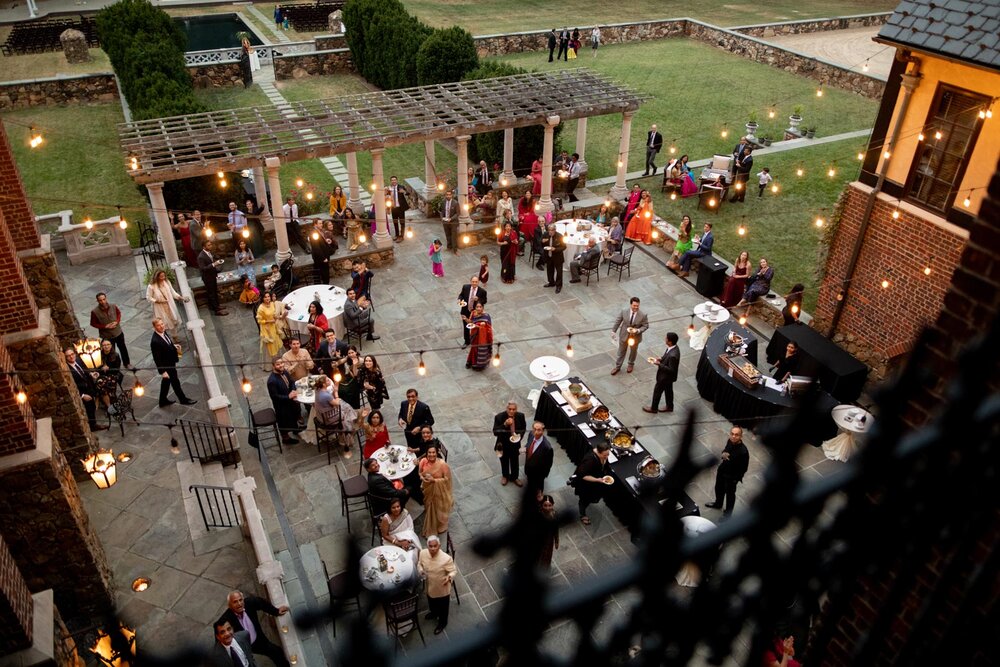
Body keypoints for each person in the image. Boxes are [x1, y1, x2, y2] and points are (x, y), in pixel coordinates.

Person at [219, 590, 290, 667]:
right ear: (230, 605)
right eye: (235, 602)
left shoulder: (249, 603)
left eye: (240, 600)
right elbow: (219, 634)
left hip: (258, 641)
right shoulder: (226, 620)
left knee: (276, 652)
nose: (239, 604)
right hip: (242, 647)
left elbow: (261, 602)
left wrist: (276, 611)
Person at [150, 317, 197, 408]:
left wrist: (173, 346)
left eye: (162, 324)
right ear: (154, 327)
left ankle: (162, 400)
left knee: (166, 382)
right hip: (166, 366)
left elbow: (167, 342)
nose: (161, 326)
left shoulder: (163, 332)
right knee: (175, 382)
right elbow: (157, 358)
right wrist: (163, 372)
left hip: (171, 362)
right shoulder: (155, 341)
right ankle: (183, 399)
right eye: (158, 325)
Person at [706, 426, 750, 516]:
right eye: (732, 434)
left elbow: (744, 469)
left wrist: (735, 480)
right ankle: (718, 504)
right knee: (718, 488)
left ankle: (728, 514)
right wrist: (724, 453)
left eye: (736, 435)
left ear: (741, 436)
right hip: (722, 471)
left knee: (730, 495)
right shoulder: (730, 441)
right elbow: (726, 449)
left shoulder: (743, 452)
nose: (733, 436)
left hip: (731, 477)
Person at [418, 535, 457, 635]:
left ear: (439, 546)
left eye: (435, 546)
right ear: (427, 546)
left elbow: (453, 571)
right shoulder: (422, 553)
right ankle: (434, 613)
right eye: (430, 546)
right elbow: (419, 564)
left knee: (443, 608)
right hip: (429, 585)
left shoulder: (446, 559)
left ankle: (443, 623)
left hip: (441, 589)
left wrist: (449, 577)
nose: (433, 548)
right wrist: (421, 570)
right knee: (431, 601)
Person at [64, 346, 108, 431]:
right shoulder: (67, 369)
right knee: (89, 408)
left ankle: (106, 408)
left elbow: (85, 369)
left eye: (72, 354)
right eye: (68, 356)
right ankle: (92, 426)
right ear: (65, 358)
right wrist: (82, 395)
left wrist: (91, 374)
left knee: (96, 400)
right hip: (82, 392)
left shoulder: (79, 360)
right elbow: (70, 385)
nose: (71, 357)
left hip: (89, 386)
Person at [90, 292, 132, 370]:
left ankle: (127, 363)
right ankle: (113, 367)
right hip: (107, 336)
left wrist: (117, 321)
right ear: (97, 301)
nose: (103, 302)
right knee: (110, 352)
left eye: (104, 299)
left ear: (106, 298)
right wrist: (105, 326)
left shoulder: (113, 306)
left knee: (123, 348)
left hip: (118, 332)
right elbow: (93, 323)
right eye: (100, 300)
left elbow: (118, 313)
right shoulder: (95, 312)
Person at [574, 442, 611, 525]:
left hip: (596, 481)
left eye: (608, 454)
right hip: (586, 485)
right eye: (605, 455)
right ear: (598, 452)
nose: (607, 457)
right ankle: (582, 514)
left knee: (590, 497)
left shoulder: (603, 456)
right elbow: (582, 475)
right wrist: (597, 480)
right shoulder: (590, 460)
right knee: (584, 500)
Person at [419, 446, 453, 537]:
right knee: (429, 506)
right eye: (429, 452)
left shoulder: (442, 465)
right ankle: (431, 519)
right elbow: (420, 473)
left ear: (437, 452)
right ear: (426, 453)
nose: (431, 454)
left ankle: (439, 524)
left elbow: (447, 479)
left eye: (433, 452)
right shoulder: (423, 461)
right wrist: (422, 478)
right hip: (427, 489)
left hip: (438, 490)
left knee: (438, 507)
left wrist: (434, 480)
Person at [611, 297, 649, 375]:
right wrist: (613, 331)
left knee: (633, 351)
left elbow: (645, 325)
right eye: (634, 305)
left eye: (637, 306)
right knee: (621, 351)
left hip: (635, 337)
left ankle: (630, 364)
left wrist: (638, 330)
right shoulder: (624, 311)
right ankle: (617, 366)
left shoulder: (643, 315)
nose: (636, 307)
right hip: (624, 335)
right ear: (630, 304)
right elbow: (618, 321)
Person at [267, 358, 301, 445]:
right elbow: (275, 397)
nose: (281, 365)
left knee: (294, 414)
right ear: (273, 366)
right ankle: (285, 439)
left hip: (290, 400)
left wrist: (293, 391)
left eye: (282, 363)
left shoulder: (284, 371)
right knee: (284, 421)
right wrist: (288, 397)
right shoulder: (272, 381)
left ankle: (295, 430)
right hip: (281, 405)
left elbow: (292, 382)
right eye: (278, 364)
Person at [644, 332, 680, 414]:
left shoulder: (673, 355)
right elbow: (666, 356)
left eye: (666, 338)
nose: (665, 339)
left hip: (665, 377)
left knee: (657, 391)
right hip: (668, 378)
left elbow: (671, 370)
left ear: (670, 341)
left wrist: (659, 364)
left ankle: (653, 408)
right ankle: (670, 406)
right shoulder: (672, 348)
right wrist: (661, 358)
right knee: (668, 391)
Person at [492, 401, 526, 487]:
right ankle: (505, 476)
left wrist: (519, 436)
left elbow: (523, 428)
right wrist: (505, 424)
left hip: (515, 444)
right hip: (503, 444)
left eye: (513, 409)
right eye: (510, 409)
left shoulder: (520, 416)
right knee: (504, 461)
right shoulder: (499, 417)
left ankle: (515, 477)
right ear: (507, 409)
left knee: (515, 461)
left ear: (516, 409)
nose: (511, 411)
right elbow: (495, 432)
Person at [146, 269, 188, 335]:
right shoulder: (151, 286)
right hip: (159, 307)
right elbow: (148, 297)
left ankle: (174, 336)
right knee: (162, 322)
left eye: (164, 276)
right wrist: (157, 301)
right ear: (157, 277)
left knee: (172, 320)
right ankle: (164, 336)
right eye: (161, 276)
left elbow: (172, 292)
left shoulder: (167, 282)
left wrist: (181, 298)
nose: (163, 278)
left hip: (169, 304)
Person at [197, 241, 229, 317]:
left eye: (211, 244)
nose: (210, 246)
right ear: (204, 247)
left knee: (214, 291)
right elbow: (203, 268)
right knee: (211, 293)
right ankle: (217, 310)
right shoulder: (201, 257)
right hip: (207, 278)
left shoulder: (209, 253)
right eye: (208, 245)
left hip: (212, 275)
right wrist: (214, 264)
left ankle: (216, 306)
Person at [523, 420, 554, 498]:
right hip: (528, 467)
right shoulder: (531, 434)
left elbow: (548, 465)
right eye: (534, 429)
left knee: (537, 487)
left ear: (543, 431)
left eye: (539, 430)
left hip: (538, 473)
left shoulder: (547, 448)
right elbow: (528, 443)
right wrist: (526, 448)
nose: (536, 432)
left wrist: (543, 476)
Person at [398, 388, 434, 452]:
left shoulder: (424, 407)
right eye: (408, 397)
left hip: (419, 436)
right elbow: (401, 413)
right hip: (408, 432)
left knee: (419, 451)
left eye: (413, 396)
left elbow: (431, 421)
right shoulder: (403, 404)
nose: (410, 398)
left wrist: (420, 427)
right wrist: (400, 419)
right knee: (410, 448)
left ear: (417, 397)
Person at [457, 276, 487, 348]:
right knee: (466, 326)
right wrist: (459, 299)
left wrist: (478, 299)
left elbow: (485, 301)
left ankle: (476, 340)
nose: (474, 283)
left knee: (476, 326)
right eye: (473, 282)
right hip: (465, 310)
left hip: (476, 313)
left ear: (478, 282)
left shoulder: (482, 291)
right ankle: (467, 341)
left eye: (476, 282)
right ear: (470, 282)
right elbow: (461, 295)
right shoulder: (465, 287)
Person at [463, 303, 493, 371]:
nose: (479, 308)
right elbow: (471, 322)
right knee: (474, 349)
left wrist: (479, 327)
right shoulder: (473, 313)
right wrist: (465, 319)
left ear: (483, 308)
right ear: (475, 308)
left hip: (482, 337)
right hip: (474, 335)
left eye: (480, 307)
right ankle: (471, 363)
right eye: (477, 307)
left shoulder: (486, 316)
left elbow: (488, 328)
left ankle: (480, 365)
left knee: (481, 349)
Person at [256, 292, 284, 360]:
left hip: (273, 325)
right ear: (262, 298)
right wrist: (269, 321)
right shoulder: (261, 308)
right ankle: (271, 361)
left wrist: (275, 316)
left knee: (276, 340)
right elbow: (259, 321)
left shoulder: (272, 304)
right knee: (271, 343)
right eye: (265, 297)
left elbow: (273, 312)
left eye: (268, 296)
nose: (267, 298)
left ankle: (278, 358)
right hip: (266, 328)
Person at [541, 223, 566, 293]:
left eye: (552, 230)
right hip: (549, 256)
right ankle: (551, 282)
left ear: (555, 230)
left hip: (558, 258)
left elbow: (564, 247)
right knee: (549, 271)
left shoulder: (560, 236)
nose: (550, 232)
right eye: (549, 230)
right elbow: (541, 242)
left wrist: (555, 249)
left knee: (559, 272)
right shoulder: (545, 234)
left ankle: (559, 286)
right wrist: (542, 241)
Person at [537, 495, 560, 570]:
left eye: (549, 505)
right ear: (541, 505)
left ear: (553, 505)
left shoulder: (554, 515)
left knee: (547, 555)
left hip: (549, 540)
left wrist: (556, 541)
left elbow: (556, 529)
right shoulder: (538, 514)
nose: (547, 508)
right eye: (545, 505)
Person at [309, 220, 331, 285]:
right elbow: (316, 247)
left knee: (323, 273)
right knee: (324, 274)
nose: (322, 225)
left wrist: (326, 241)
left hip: (323, 256)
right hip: (321, 258)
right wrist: (323, 258)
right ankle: (325, 285)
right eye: (320, 223)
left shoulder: (319, 231)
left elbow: (320, 241)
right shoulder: (314, 233)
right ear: (315, 224)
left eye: (322, 223)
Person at [387, 175, 408, 241]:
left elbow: (408, 193)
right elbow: (386, 197)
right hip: (393, 208)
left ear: (397, 180)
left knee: (402, 222)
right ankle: (397, 235)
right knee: (395, 222)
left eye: (394, 180)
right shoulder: (389, 189)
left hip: (400, 208)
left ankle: (401, 236)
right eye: (392, 180)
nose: (393, 181)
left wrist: (404, 192)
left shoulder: (401, 187)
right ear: (391, 181)